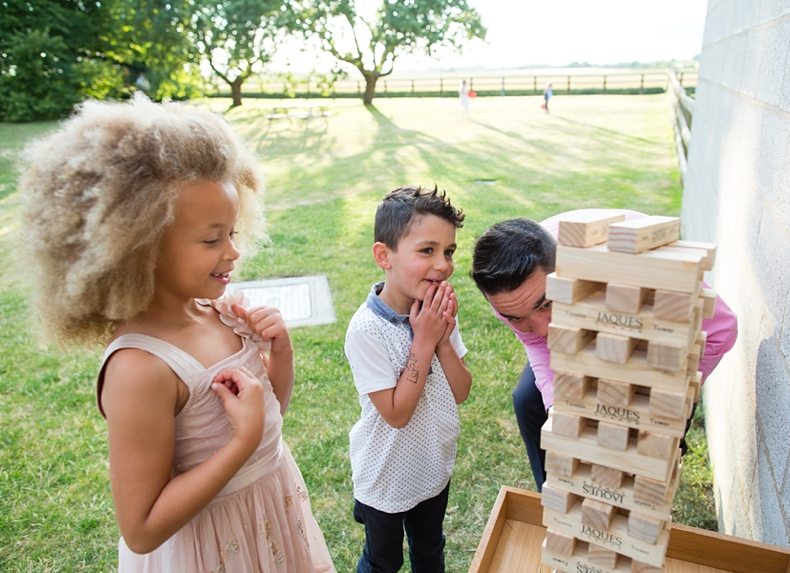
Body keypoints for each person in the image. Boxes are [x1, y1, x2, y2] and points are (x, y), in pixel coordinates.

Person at [18, 95, 335, 572]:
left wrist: (279, 356)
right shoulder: (140, 369)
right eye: (212, 239)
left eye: (232, 232)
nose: (233, 252)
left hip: (267, 521)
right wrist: (239, 445)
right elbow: (142, 528)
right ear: (139, 246)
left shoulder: (220, 313)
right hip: (207, 552)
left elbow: (268, 419)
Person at [470, 209, 738, 491]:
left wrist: (669, 392)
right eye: (517, 318)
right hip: (582, 325)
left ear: (564, 269)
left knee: (640, 433)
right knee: (529, 400)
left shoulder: (639, 272)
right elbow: (536, 341)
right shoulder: (510, 300)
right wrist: (558, 408)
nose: (540, 328)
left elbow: (723, 329)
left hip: (646, 331)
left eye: (546, 304)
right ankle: (555, 493)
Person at [344, 186, 472, 573]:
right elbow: (396, 414)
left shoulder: (436, 312)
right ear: (385, 255)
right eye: (427, 250)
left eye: (448, 252)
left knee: (430, 549)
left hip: (433, 464)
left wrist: (442, 338)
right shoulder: (366, 330)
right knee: (384, 560)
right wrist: (425, 340)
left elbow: (461, 391)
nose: (443, 264)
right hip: (385, 475)